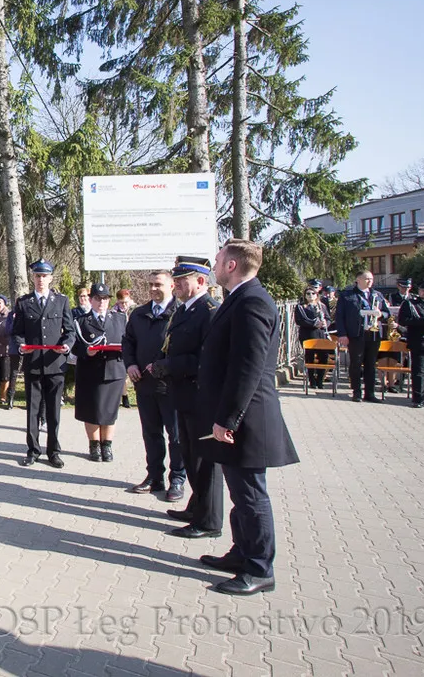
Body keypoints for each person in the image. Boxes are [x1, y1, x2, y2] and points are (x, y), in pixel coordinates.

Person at [198, 239, 299, 596]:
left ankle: (260, 569)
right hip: (235, 417)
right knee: (241, 493)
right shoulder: (239, 298)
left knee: (252, 496)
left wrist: (228, 419)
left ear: (231, 265)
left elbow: (249, 368)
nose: (213, 262)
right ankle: (241, 553)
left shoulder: (253, 301)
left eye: (218, 258)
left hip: (246, 419)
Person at [148, 256, 223, 540]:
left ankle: (210, 520)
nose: (176, 284)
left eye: (182, 280)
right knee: (190, 455)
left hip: (201, 396)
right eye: (176, 280)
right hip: (182, 394)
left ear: (201, 281)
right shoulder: (184, 310)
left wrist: (169, 366)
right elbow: (171, 345)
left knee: (206, 461)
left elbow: (207, 359)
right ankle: (197, 507)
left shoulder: (209, 311)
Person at [122, 270, 184, 501]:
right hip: (145, 385)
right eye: (150, 284)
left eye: (158, 284)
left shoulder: (180, 313)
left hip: (171, 386)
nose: (153, 289)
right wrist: (130, 365)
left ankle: (177, 478)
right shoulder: (139, 314)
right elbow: (128, 342)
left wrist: (165, 365)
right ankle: (155, 476)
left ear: (171, 286)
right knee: (151, 433)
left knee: (176, 436)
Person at [12, 259, 76, 467]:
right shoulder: (24, 302)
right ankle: (33, 450)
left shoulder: (61, 301)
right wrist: (21, 345)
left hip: (55, 363)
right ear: (33, 277)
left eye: (44, 276)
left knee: (53, 411)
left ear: (50, 278)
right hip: (33, 363)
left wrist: (67, 345)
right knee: (32, 409)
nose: (41, 280)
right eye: (38, 276)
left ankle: (54, 451)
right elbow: (18, 332)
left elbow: (70, 331)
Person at [74, 283, 127, 462]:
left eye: (105, 298)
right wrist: (85, 351)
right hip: (90, 371)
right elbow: (73, 346)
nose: (102, 302)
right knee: (92, 410)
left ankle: (107, 445)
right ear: (90, 299)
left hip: (114, 370)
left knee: (109, 411)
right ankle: (94, 445)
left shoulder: (120, 319)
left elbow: (129, 341)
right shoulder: (81, 321)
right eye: (97, 298)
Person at [334, 269, 391, 403]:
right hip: (356, 334)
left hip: (373, 334)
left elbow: (387, 314)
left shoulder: (377, 295)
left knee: (371, 364)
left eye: (371, 279)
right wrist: (342, 334)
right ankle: (356, 392)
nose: (370, 281)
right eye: (366, 279)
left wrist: (380, 314)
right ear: (358, 280)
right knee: (356, 363)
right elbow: (339, 316)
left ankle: (370, 393)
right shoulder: (347, 295)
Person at [294, 286, 331, 389]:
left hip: (321, 335)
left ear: (317, 295)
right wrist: (314, 324)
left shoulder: (321, 306)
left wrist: (325, 324)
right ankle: (312, 380)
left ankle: (320, 380)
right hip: (307, 335)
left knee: (323, 357)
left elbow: (328, 318)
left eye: (313, 293)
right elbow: (299, 320)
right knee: (309, 358)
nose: (311, 296)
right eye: (308, 294)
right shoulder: (301, 307)